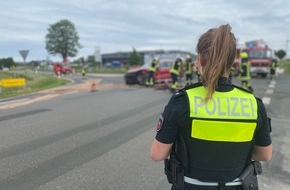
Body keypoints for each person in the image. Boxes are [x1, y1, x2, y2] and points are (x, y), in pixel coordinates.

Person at [150, 24, 272, 190]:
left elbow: (157, 154)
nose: (194, 64)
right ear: (231, 62)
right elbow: (264, 154)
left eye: (196, 58)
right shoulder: (253, 103)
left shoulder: (183, 100)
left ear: (201, 59)